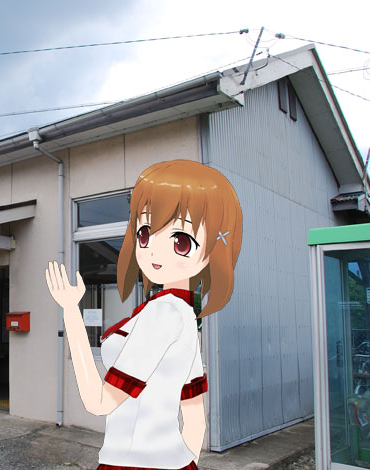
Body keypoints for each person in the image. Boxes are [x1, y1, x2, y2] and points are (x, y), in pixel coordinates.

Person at [45, 160, 242, 470]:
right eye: (146, 233)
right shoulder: (185, 315)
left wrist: (70, 309)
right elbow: (194, 419)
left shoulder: (163, 313)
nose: (154, 251)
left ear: (213, 250)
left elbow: (99, 402)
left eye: (180, 241)